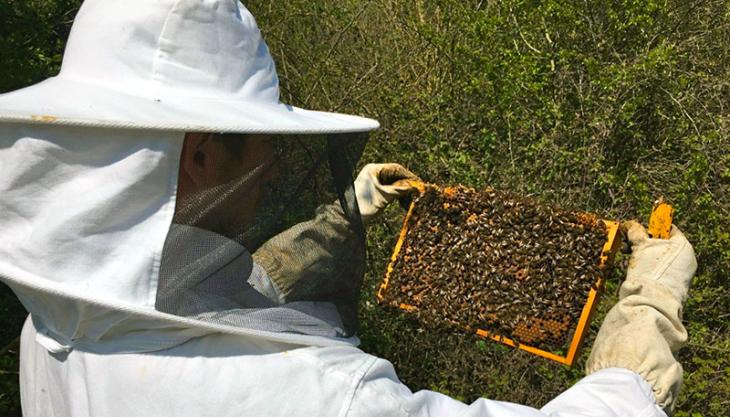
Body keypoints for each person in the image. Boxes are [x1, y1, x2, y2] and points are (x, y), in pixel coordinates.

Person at [0, 1, 696, 416]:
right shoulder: (318, 397)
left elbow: (206, 302)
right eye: (262, 142)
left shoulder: (57, 328)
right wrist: (645, 326)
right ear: (203, 153)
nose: (274, 165)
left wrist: (347, 215)